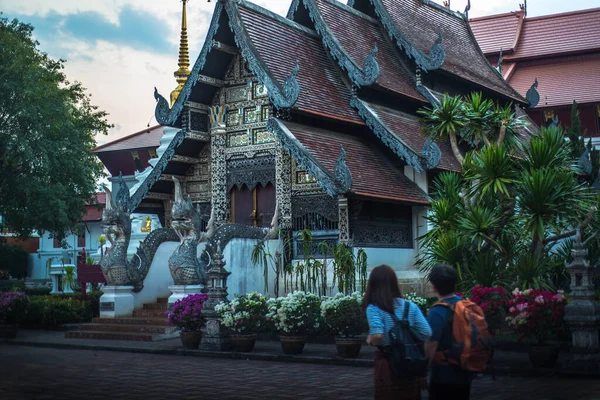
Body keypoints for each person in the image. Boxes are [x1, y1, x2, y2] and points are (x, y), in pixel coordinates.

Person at [364, 264, 432, 400]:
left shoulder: (374, 308)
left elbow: (377, 335)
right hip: (409, 361)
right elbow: (427, 332)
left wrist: (370, 340)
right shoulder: (410, 306)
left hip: (387, 361)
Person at [425, 264, 473, 400]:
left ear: (434, 286)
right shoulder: (466, 304)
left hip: (443, 374)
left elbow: (431, 344)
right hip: (465, 369)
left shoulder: (437, 311)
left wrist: (423, 371)